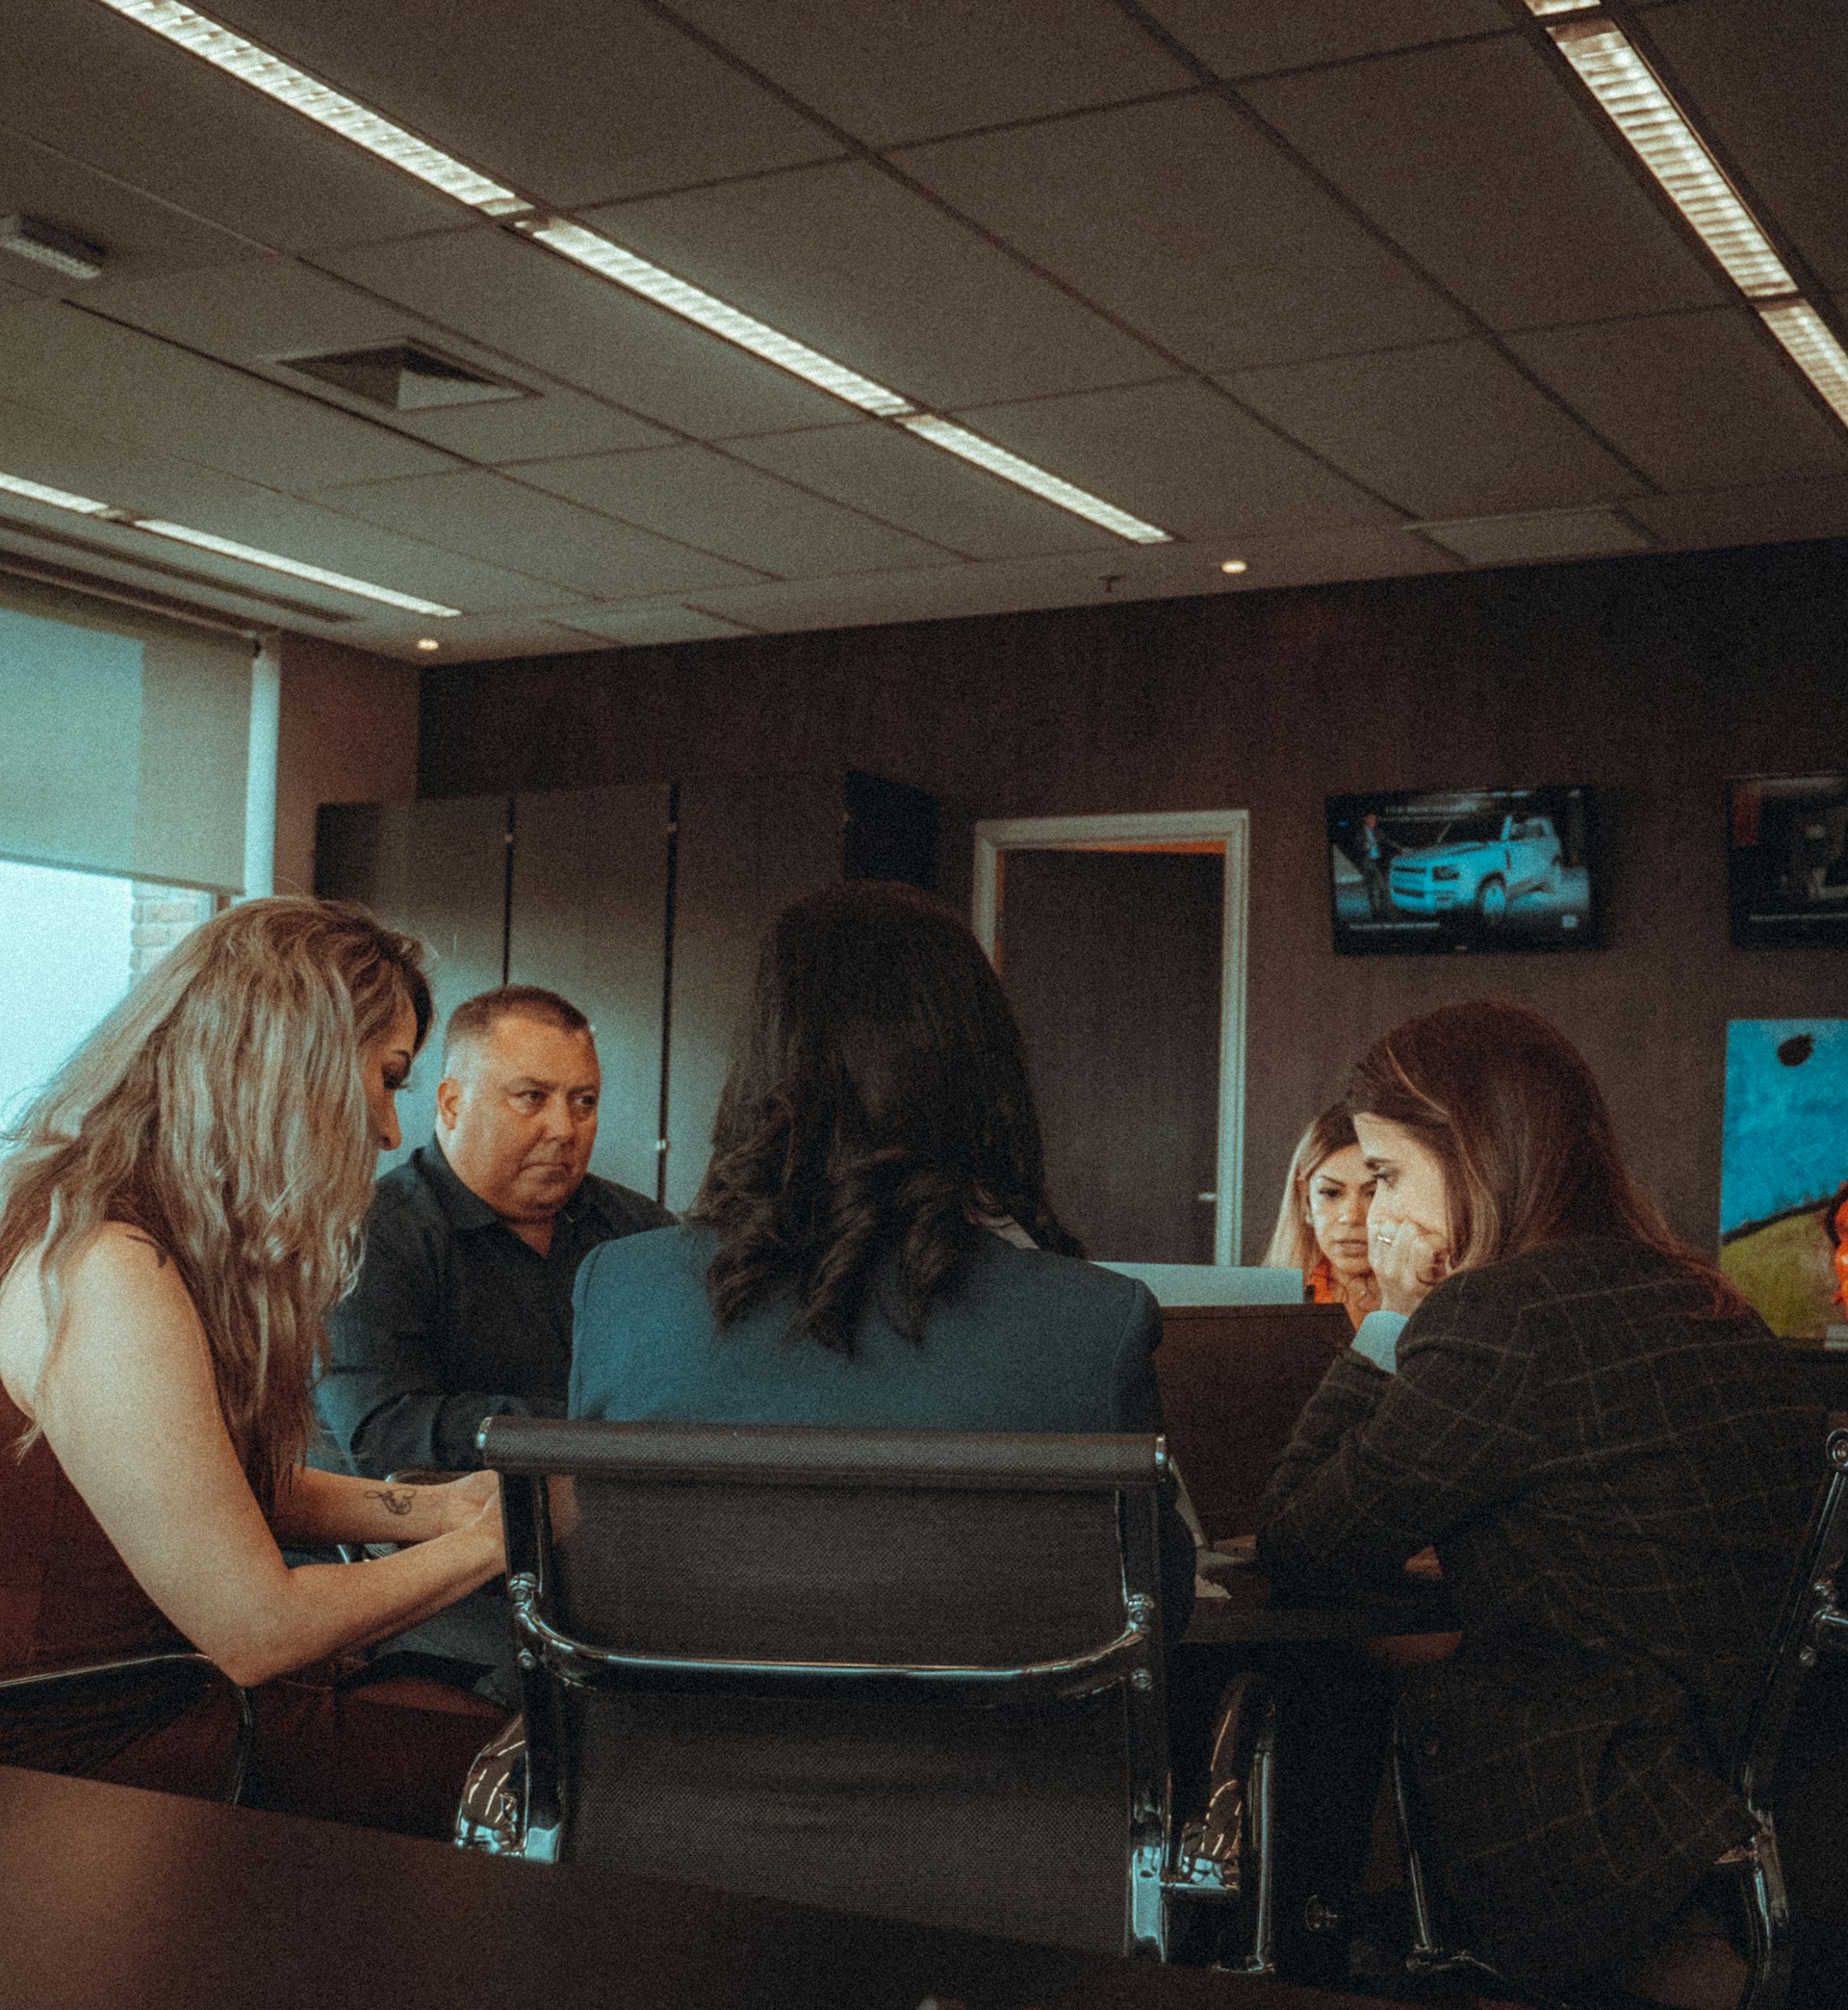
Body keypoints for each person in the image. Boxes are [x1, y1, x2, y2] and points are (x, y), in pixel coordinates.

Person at [1258, 1000, 1824, 2010]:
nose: (1372, 1214)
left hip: (1607, 1782)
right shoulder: (1700, 1296)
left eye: (1386, 1174)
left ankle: (1312, 1956)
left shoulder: (1500, 1315)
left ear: (1473, 1154)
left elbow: (1306, 1541)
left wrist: (1388, 1316)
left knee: (1332, 1674)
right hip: (1749, 1767)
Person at [0, 898, 508, 1839]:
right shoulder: (106, 1267)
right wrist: (494, 1541)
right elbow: (255, 1630)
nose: (394, 1131)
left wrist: (432, 1509)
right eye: (388, 1078)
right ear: (294, 1065)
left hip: (164, 1696)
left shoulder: (130, 1229)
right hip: (93, 1747)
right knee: (542, 1782)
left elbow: (211, 1493)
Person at [571, 880, 1194, 1593]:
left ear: (757, 1064)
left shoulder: (618, 1292)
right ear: (978, 1073)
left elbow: (605, 1574)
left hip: (684, 1710)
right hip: (980, 1711)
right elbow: (1153, 1614)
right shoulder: (1093, 1328)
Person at [318, 985, 671, 1480]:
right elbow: (383, 1434)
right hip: (427, 1544)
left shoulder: (645, 1236)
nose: (564, 1129)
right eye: (532, 1097)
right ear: (452, 1105)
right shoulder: (372, 1236)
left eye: (583, 1102)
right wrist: (594, 1432)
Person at [1264, 1104, 1381, 1329]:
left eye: (1373, 1193)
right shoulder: (1269, 1304)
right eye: (1331, 1193)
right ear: (1306, 1199)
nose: (1352, 1216)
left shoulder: (1436, 1301)